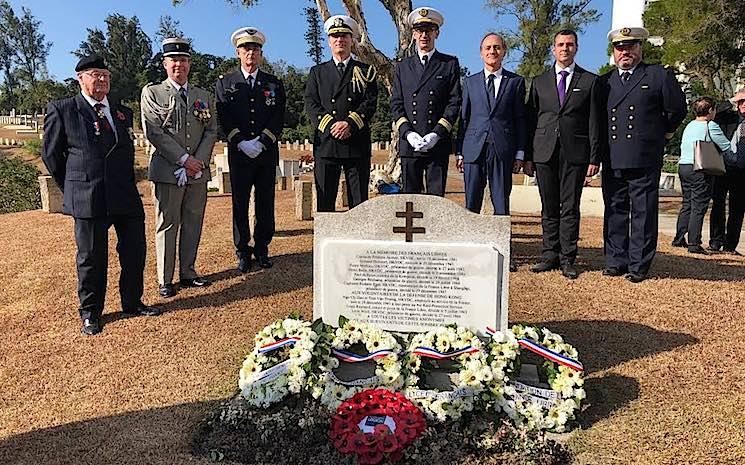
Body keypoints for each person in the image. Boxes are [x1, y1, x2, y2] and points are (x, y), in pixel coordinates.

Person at [42, 54, 160, 335]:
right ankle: (91, 313)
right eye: (95, 74)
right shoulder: (64, 109)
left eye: (105, 75)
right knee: (91, 257)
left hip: (124, 194)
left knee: (134, 251)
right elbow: (51, 156)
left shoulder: (120, 112)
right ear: (80, 78)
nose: (102, 79)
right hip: (88, 195)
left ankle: (132, 302)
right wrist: (74, 184)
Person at [600, 26, 686, 283]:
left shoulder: (658, 75)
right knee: (614, 209)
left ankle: (638, 265)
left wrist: (662, 135)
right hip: (613, 155)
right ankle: (616, 260)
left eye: (630, 46)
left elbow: (677, 109)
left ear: (640, 48)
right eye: (620, 47)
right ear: (614, 52)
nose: (625, 52)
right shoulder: (604, 81)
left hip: (645, 154)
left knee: (643, 212)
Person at [141, 38, 218, 298]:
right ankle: (165, 278)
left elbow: (211, 130)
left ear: (190, 64)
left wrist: (198, 161)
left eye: (184, 60)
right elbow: (154, 132)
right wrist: (184, 159)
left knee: (194, 221)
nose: (179, 65)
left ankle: (188, 271)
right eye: (174, 60)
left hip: (197, 172)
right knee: (167, 223)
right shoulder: (152, 93)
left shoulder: (203, 96)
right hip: (167, 171)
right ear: (165, 64)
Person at [526, 29, 603, 279]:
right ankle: (549, 254)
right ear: (553, 49)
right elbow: (531, 120)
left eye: (570, 44)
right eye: (560, 44)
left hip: (575, 153)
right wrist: (528, 155)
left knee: (570, 206)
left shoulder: (590, 81)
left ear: (576, 48)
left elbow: (594, 121)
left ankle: (568, 258)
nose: (565, 49)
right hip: (544, 152)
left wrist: (594, 157)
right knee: (549, 206)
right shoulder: (539, 81)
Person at [216, 27, 286, 273]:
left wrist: (262, 142)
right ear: (238, 52)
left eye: (255, 49)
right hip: (239, 153)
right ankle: (243, 251)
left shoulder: (274, 83)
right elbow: (223, 117)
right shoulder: (225, 83)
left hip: (266, 154)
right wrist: (241, 142)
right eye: (246, 49)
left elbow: (278, 116)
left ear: (261, 54)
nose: (251, 53)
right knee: (240, 203)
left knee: (265, 202)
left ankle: (262, 248)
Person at [304, 15, 378, 212]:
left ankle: (358, 243)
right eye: (335, 36)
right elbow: (311, 103)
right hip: (327, 144)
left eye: (344, 35)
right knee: (325, 202)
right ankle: (325, 242)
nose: (340, 40)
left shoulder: (365, 70)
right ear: (329, 41)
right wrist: (332, 126)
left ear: (352, 40)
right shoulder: (317, 72)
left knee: (359, 203)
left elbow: (370, 103)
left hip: (356, 143)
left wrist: (350, 125)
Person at [391, 6, 461, 196]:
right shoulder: (402, 67)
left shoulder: (449, 64)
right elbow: (396, 104)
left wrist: (436, 134)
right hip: (410, 144)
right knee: (409, 201)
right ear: (413, 34)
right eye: (420, 31)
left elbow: (454, 102)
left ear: (436, 33)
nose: (424, 35)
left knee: (436, 202)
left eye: (429, 30)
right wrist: (408, 134)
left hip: (436, 144)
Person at [456, 32, 527, 217]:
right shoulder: (470, 82)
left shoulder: (516, 82)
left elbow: (520, 119)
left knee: (501, 202)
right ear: (481, 53)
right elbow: (464, 118)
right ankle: (471, 242)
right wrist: (459, 151)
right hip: (473, 149)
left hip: (502, 148)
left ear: (504, 51)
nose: (492, 51)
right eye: (488, 48)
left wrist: (520, 152)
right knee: (471, 204)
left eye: (497, 47)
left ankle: (501, 244)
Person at [672, 97, 732, 255]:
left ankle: (679, 238)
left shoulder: (690, 125)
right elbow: (726, 146)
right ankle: (694, 242)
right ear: (711, 110)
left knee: (687, 203)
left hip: (684, 166)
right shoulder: (710, 125)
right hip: (700, 168)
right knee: (699, 206)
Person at [709, 89, 745, 255]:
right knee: (718, 204)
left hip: (742, 171)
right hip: (722, 167)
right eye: (742, 101)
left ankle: (730, 246)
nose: (744, 105)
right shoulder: (727, 118)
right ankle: (716, 241)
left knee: (737, 209)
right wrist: (733, 99)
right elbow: (713, 113)